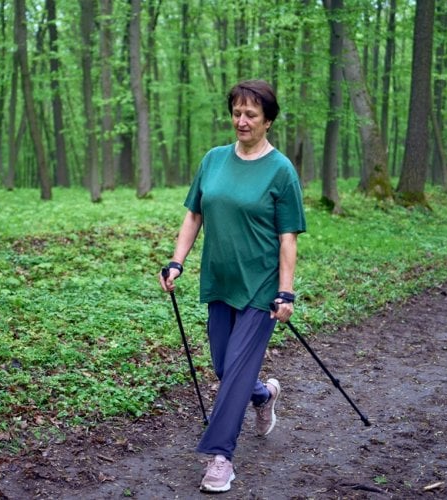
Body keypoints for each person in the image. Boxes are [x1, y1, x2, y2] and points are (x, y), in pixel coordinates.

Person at [158, 79, 306, 493]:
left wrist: (286, 290)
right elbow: (194, 216)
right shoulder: (213, 160)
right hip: (220, 281)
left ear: (269, 122)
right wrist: (177, 262)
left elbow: (288, 237)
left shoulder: (281, 170)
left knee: (235, 371)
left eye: (251, 115)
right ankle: (263, 395)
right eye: (237, 113)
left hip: (261, 288)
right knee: (226, 367)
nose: (242, 121)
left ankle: (220, 457)